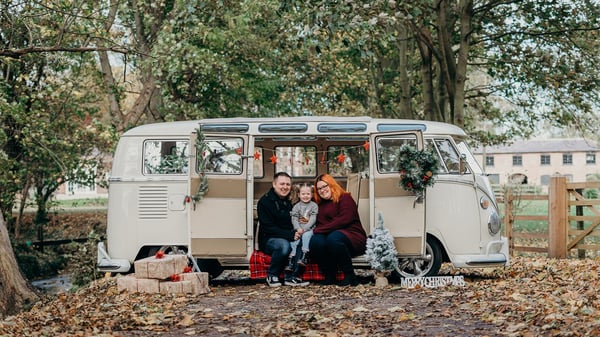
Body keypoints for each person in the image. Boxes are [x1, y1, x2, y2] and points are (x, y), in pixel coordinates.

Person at [310, 173, 367, 286]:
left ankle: (350, 276)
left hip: (353, 236)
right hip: (330, 236)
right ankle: (330, 275)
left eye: (325, 186)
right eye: (319, 188)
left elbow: (344, 220)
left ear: (331, 185)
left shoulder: (345, 198)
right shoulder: (319, 204)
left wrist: (319, 230)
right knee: (316, 242)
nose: (322, 190)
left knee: (333, 238)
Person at [257, 172, 309, 287]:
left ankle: (291, 277)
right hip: (269, 239)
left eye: (288, 184)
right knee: (284, 245)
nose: (285, 187)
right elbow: (267, 227)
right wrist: (290, 235)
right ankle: (272, 275)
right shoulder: (265, 202)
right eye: (282, 184)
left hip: (290, 234)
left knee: (303, 239)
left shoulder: (292, 200)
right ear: (274, 184)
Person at [286, 183, 318, 270]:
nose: (305, 196)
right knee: (294, 240)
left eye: (308, 194)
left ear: (311, 195)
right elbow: (294, 219)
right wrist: (298, 228)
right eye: (303, 194)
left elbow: (313, 219)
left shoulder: (314, 206)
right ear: (299, 195)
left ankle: (304, 257)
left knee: (306, 236)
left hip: (309, 229)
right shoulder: (296, 206)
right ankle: (291, 261)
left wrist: (305, 229)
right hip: (299, 229)